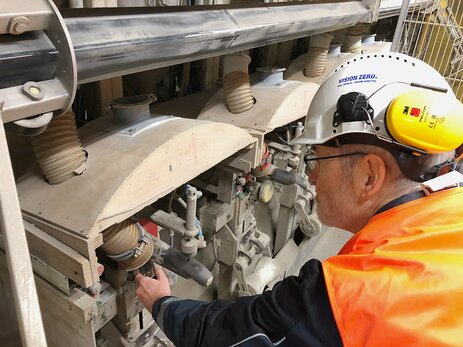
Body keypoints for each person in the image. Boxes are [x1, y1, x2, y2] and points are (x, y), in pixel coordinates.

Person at [135, 52, 463, 347]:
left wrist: (163, 303)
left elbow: (233, 334)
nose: (311, 176)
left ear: (369, 176)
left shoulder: (355, 298)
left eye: (317, 158)